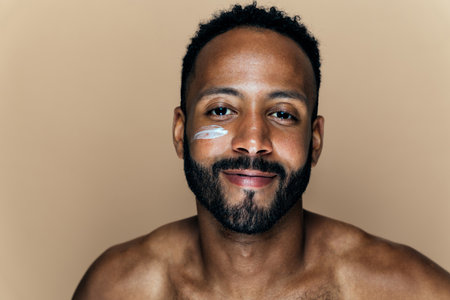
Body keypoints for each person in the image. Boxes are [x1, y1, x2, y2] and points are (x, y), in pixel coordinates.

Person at [73, 3, 450, 299]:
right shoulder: (117, 289)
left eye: (283, 114)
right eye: (221, 110)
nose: (253, 141)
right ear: (179, 132)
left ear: (314, 141)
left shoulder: (409, 290)